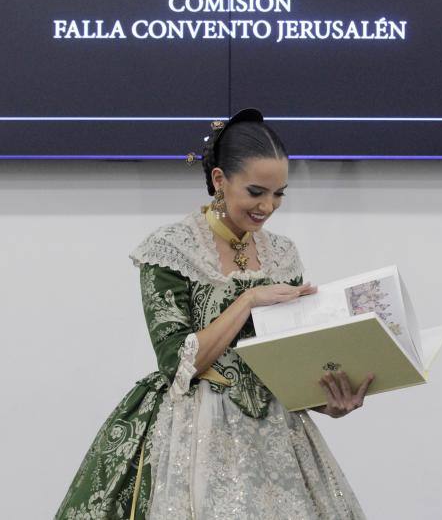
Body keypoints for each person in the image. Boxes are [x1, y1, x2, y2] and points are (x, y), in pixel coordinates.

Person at [57, 108, 374, 519]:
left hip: (276, 432)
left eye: (279, 194)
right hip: (192, 429)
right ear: (220, 180)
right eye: (256, 192)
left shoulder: (282, 254)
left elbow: (284, 360)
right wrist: (248, 300)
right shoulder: (172, 249)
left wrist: (326, 401)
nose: (268, 206)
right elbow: (177, 363)